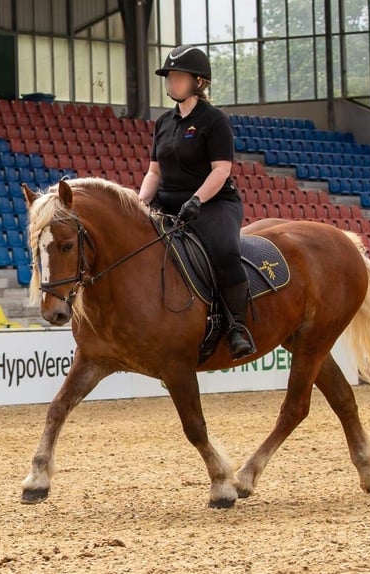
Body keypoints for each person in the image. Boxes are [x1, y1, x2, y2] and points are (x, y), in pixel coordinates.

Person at [138, 45, 256, 360]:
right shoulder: (163, 123)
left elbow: (222, 170)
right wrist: (138, 203)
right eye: (170, 77)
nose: (171, 82)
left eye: (178, 77)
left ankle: (236, 326)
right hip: (168, 202)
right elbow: (153, 172)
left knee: (224, 250)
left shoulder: (214, 120)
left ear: (199, 82)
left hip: (213, 202)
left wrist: (196, 200)